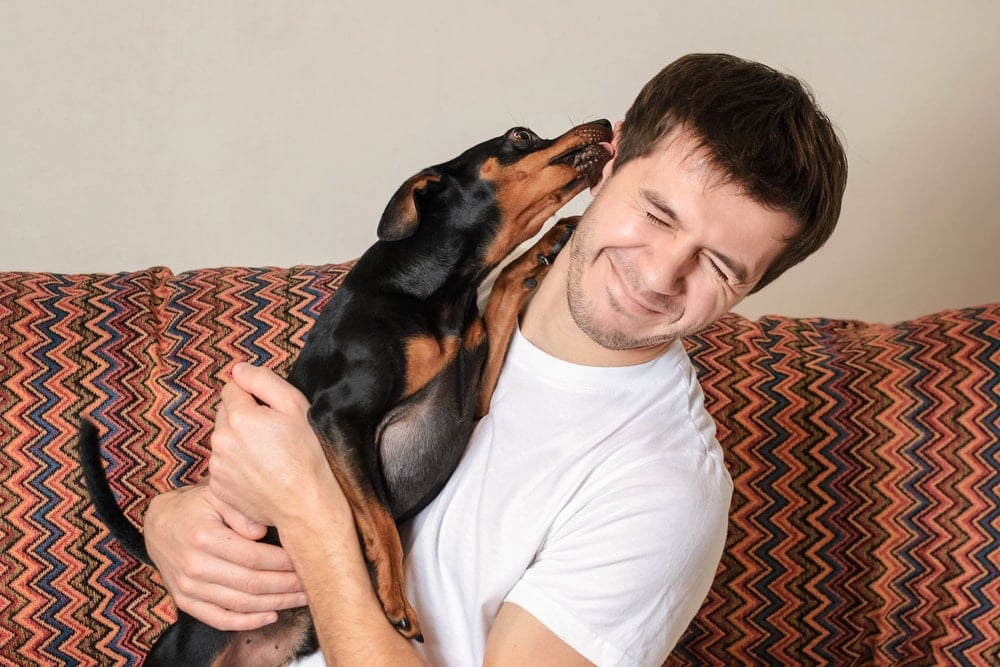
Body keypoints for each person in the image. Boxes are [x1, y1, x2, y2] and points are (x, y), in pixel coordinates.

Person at [143, 53, 848, 666]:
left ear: (751, 289)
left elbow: (302, 491)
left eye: (721, 267)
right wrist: (174, 523)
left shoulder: (663, 489)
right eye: (659, 214)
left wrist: (306, 513)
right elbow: (290, 461)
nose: (662, 273)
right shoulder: (443, 290)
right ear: (609, 159)